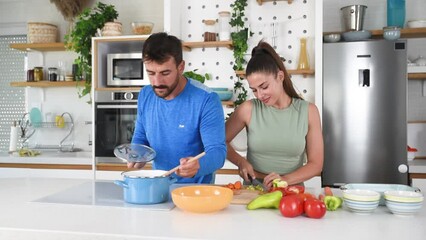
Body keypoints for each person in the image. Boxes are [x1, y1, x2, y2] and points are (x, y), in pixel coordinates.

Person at [128, 32, 226, 184]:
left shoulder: (206, 100)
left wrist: (198, 166)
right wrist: (137, 154)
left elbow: (217, 153)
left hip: (196, 193)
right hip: (159, 187)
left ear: (181, 67)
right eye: (151, 73)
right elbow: (141, 137)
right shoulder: (145, 95)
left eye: (165, 73)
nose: (157, 81)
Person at [225, 40, 324, 189]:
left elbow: (316, 164)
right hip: (254, 189)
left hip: (292, 191)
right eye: (254, 90)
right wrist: (240, 161)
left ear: (280, 77)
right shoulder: (248, 109)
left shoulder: (309, 111)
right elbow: (218, 141)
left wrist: (284, 180)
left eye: (264, 87)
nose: (260, 95)